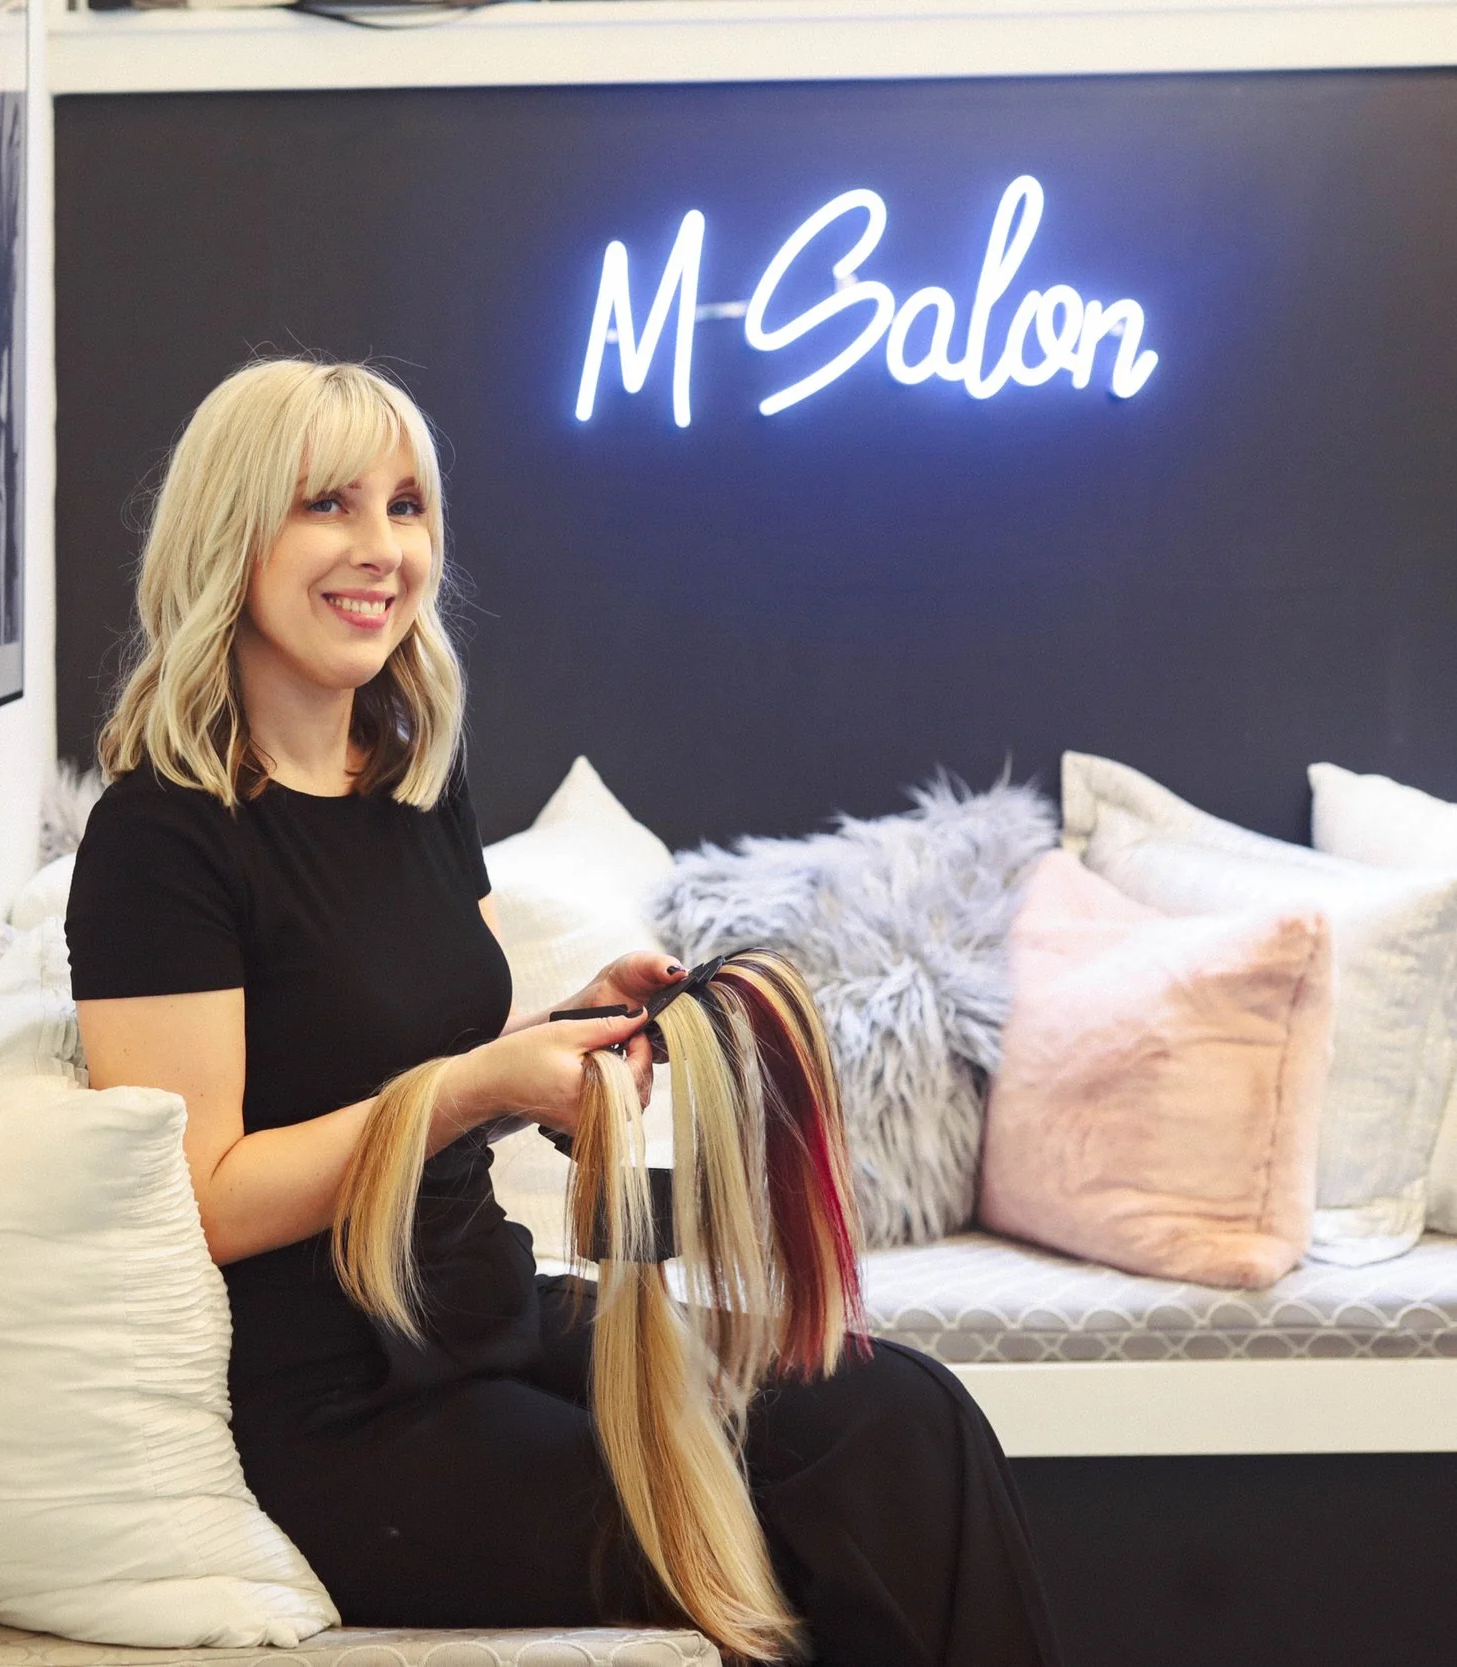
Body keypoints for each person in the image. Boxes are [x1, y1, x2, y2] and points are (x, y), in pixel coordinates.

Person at [64, 358, 1061, 1666]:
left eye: (407, 506)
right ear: (229, 535)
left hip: (490, 1311)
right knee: (789, 1527)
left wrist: (561, 1035)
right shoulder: (163, 837)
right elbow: (203, 1195)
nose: (382, 550)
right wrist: (476, 1088)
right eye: (328, 504)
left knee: (902, 1420)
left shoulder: (411, 780)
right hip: (344, 1402)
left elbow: (422, 1043)